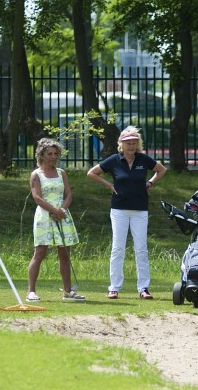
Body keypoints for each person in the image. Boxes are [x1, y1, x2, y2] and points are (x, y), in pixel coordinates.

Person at [87, 126, 167, 299]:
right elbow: (92, 173)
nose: (131, 146)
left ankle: (143, 288)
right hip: (119, 210)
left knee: (141, 249)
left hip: (140, 210)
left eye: (134, 143)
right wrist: (109, 185)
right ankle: (114, 287)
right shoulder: (114, 160)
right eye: (128, 143)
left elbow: (161, 170)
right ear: (121, 144)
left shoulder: (143, 159)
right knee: (118, 248)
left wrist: (150, 183)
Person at [26, 138, 85, 302]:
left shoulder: (61, 173)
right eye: (49, 154)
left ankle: (68, 291)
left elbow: (69, 195)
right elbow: (37, 197)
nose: (53, 157)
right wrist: (54, 211)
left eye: (55, 153)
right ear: (41, 155)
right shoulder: (36, 174)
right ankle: (31, 291)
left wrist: (62, 210)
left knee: (64, 253)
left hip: (62, 215)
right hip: (45, 216)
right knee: (40, 252)